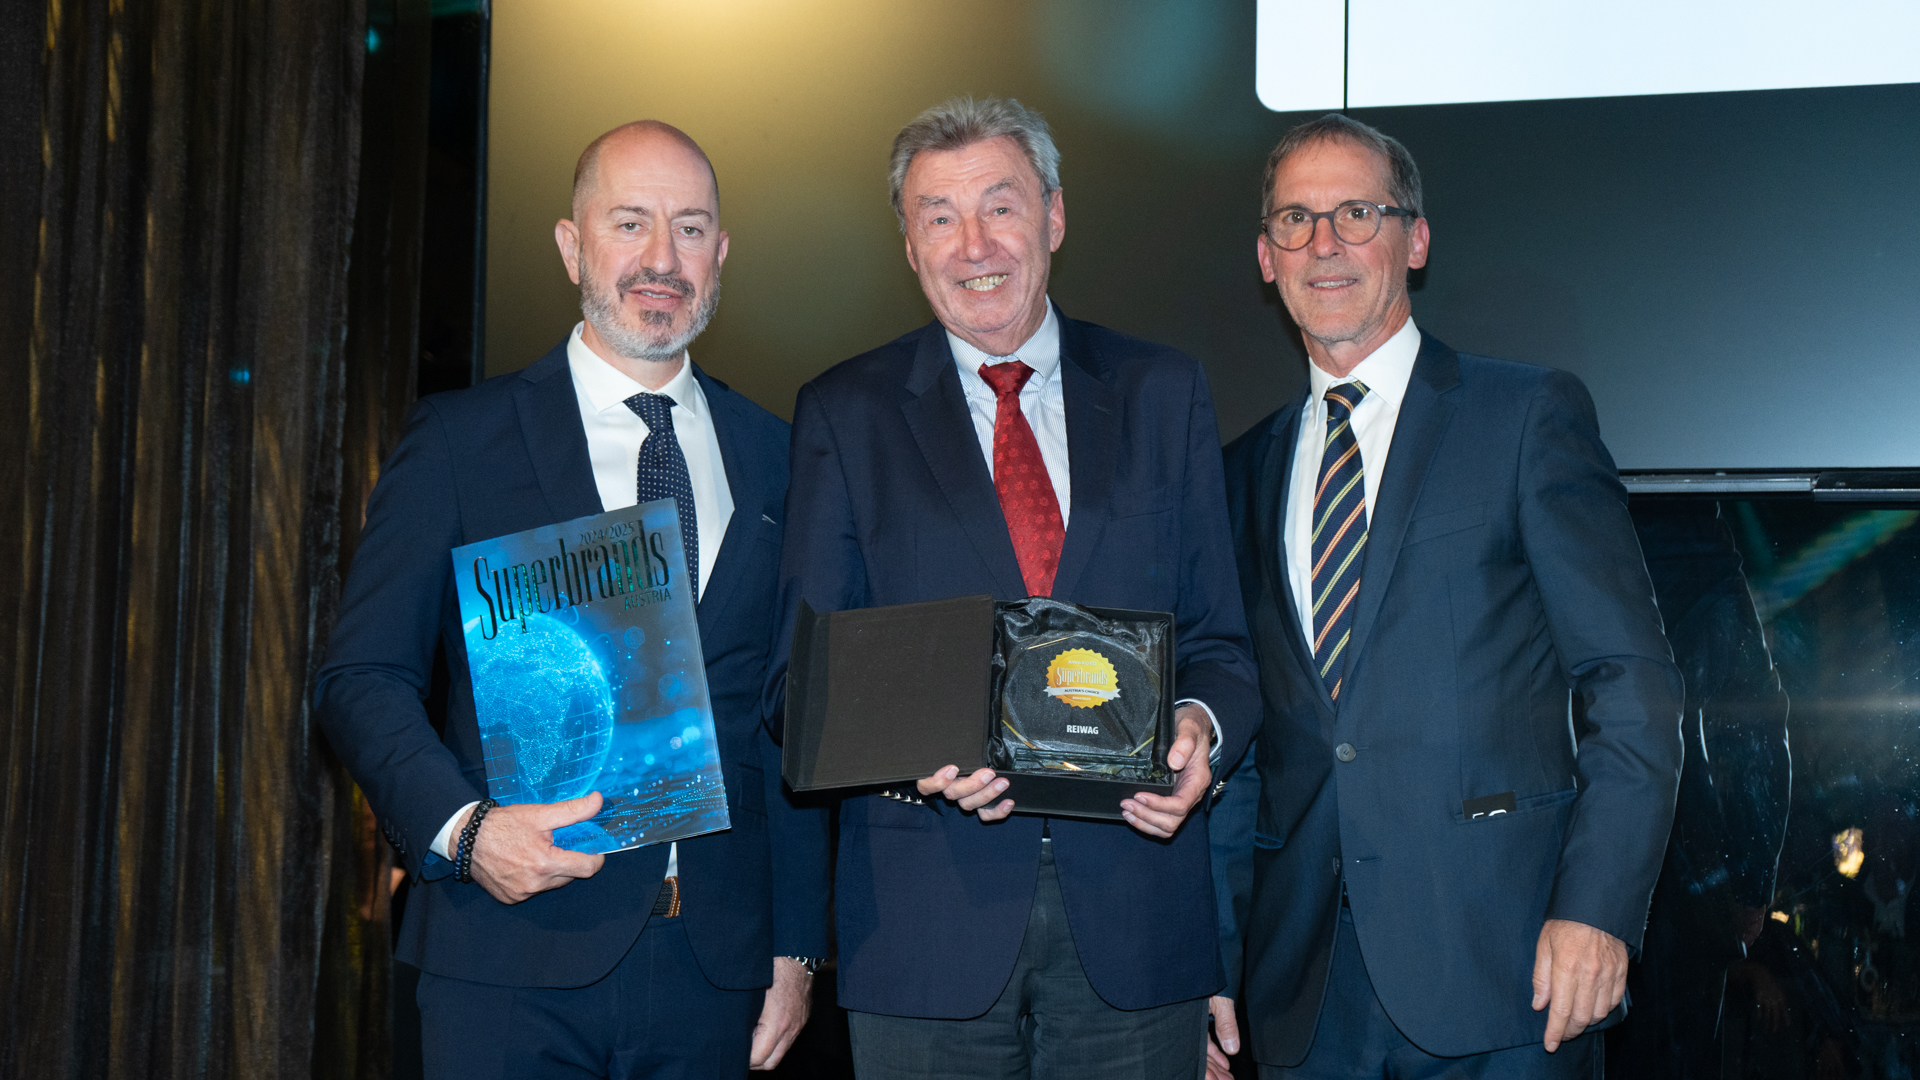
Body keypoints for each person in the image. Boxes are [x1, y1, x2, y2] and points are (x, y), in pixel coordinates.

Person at [314, 120, 829, 1079]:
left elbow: (788, 719)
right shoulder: (461, 440)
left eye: (689, 228)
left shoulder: (780, 454)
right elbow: (362, 677)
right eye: (630, 223)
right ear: (570, 245)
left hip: (713, 975)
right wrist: (465, 833)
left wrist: (797, 949)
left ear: (720, 254)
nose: (662, 258)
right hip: (508, 956)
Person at [765, 96, 1260, 1079]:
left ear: (1055, 217)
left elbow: (1222, 647)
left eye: (1000, 206)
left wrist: (1199, 728)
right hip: (924, 926)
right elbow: (798, 688)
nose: (974, 245)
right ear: (909, 244)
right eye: (939, 216)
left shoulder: (1163, 393)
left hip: (1138, 918)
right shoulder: (845, 414)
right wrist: (912, 756)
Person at [1210, 113, 1683, 1078]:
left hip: (1509, 973)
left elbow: (1631, 683)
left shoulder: (1525, 416)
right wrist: (1212, 964)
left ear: (1414, 240)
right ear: (1266, 257)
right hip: (1303, 996)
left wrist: (1598, 909)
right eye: (1296, 220)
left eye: (1357, 213)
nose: (1325, 243)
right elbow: (1247, 745)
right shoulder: (1242, 470)